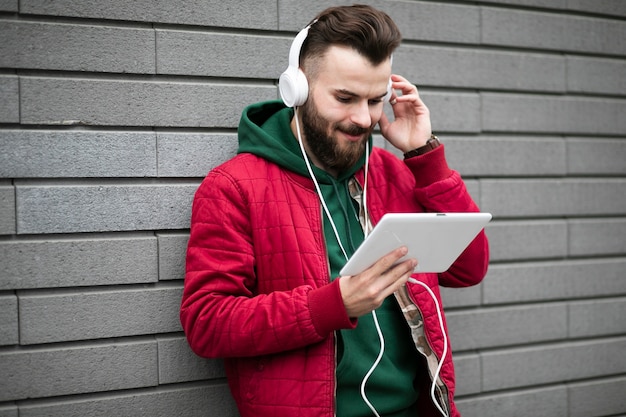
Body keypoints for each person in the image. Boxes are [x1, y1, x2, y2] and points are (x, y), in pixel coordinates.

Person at [180, 4, 489, 417]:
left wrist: (424, 155)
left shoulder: (393, 174)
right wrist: (331, 305)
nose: (363, 119)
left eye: (375, 100)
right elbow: (207, 322)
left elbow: (467, 270)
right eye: (345, 98)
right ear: (297, 88)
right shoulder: (235, 187)